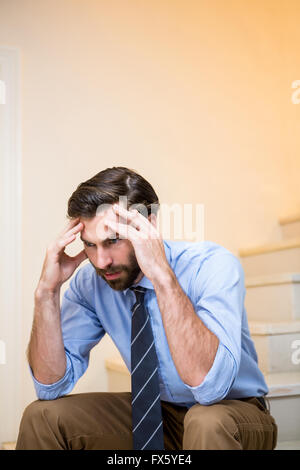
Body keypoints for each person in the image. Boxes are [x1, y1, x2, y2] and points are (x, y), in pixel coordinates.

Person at [16, 166, 277, 450]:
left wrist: (162, 277)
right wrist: (46, 292)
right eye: (90, 245)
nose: (101, 261)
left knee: (206, 422)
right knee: (41, 416)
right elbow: (50, 385)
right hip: (159, 413)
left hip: (234, 414)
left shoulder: (211, 265)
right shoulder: (91, 283)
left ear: (148, 225)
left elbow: (210, 388)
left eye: (113, 240)